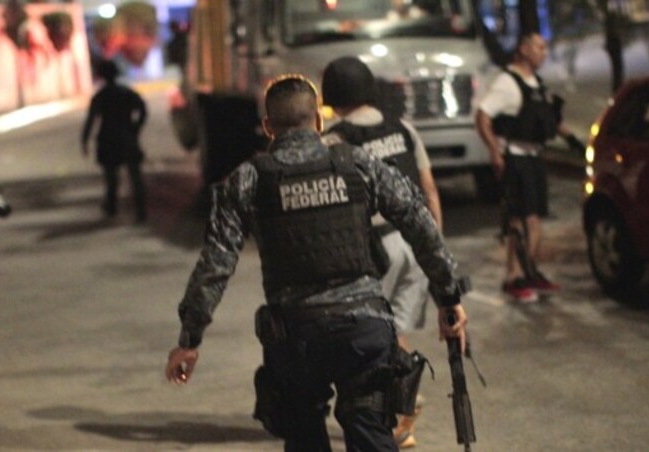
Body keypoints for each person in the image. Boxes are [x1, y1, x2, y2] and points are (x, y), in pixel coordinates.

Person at [165, 74, 469, 452]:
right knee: (370, 429)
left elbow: (215, 263)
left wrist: (189, 340)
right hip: (364, 330)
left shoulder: (248, 180)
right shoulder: (359, 165)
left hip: (296, 338)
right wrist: (449, 297)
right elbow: (420, 224)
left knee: (304, 432)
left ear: (267, 127)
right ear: (319, 122)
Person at [321, 56, 440, 449]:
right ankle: (403, 415)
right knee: (397, 331)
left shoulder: (335, 141)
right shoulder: (404, 129)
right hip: (414, 241)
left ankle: (385, 419)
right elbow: (429, 188)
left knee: (370, 339)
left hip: (374, 248)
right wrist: (434, 246)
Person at [475, 32, 584, 303]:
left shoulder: (536, 84)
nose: (544, 52)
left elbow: (549, 120)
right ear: (523, 49)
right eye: (539, 47)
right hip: (516, 157)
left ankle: (529, 271)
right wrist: (494, 151)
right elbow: (482, 116)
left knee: (534, 222)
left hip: (535, 158)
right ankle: (514, 277)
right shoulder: (507, 82)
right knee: (521, 223)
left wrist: (575, 143)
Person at [81, 59, 148, 222]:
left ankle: (111, 207)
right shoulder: (127, 92)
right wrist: (136, 128)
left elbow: (90, 121)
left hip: (108, 140)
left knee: (111, 178)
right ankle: (140, 211)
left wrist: (84, 141)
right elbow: (143, 110)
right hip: (127, 138)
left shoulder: (100, 96)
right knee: (135, 177)